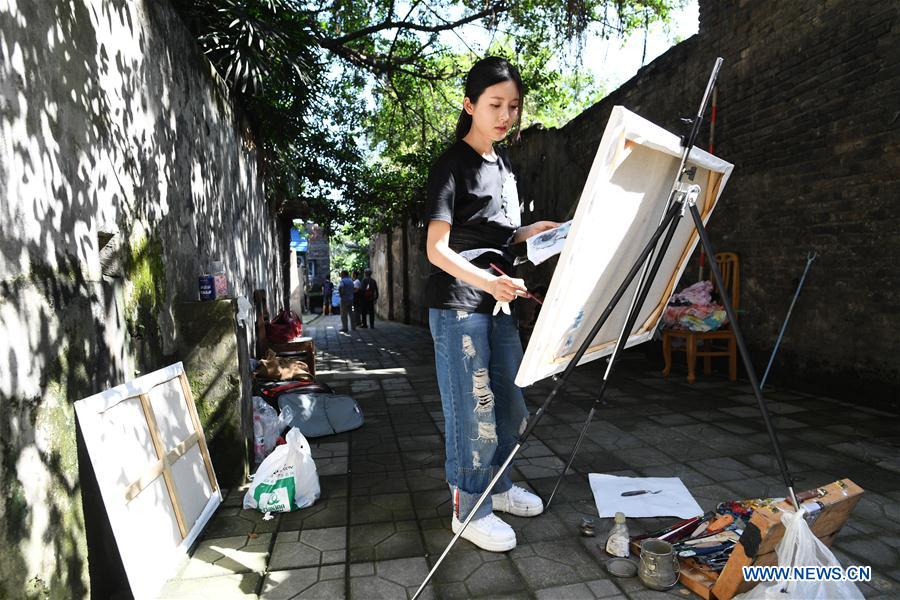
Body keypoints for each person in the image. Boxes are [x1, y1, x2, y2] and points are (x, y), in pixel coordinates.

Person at [424, 56, 560, 552]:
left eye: (514, 107)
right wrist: (485, 280)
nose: (506, 115)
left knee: (510, 404)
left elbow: (498, 236)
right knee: (473, 407)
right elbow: (436, 250)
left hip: (501, 302)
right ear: (470, 105)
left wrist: (532, 232)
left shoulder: (505, 169)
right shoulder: (451, 165)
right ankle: (468, 505)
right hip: (460, 304)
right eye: (495, 104)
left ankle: (498, 487)